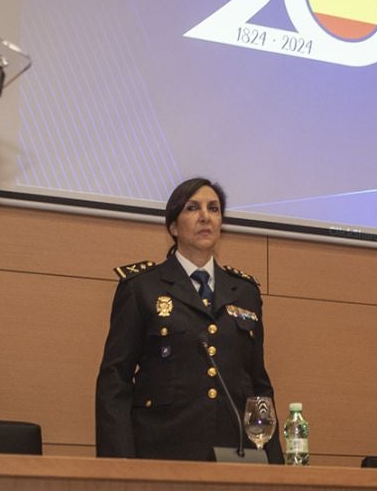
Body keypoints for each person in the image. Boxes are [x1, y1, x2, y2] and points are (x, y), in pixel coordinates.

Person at [95, 177, 281, 461]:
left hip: (235, 453)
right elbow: (115, 381)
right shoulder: (142, 287)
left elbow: (258, 386)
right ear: (172, 226)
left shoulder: (244, 292)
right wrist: (119, 463)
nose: (205, 217)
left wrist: (274, 463)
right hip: (162, 449)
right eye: (193, 208)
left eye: (214, 209)